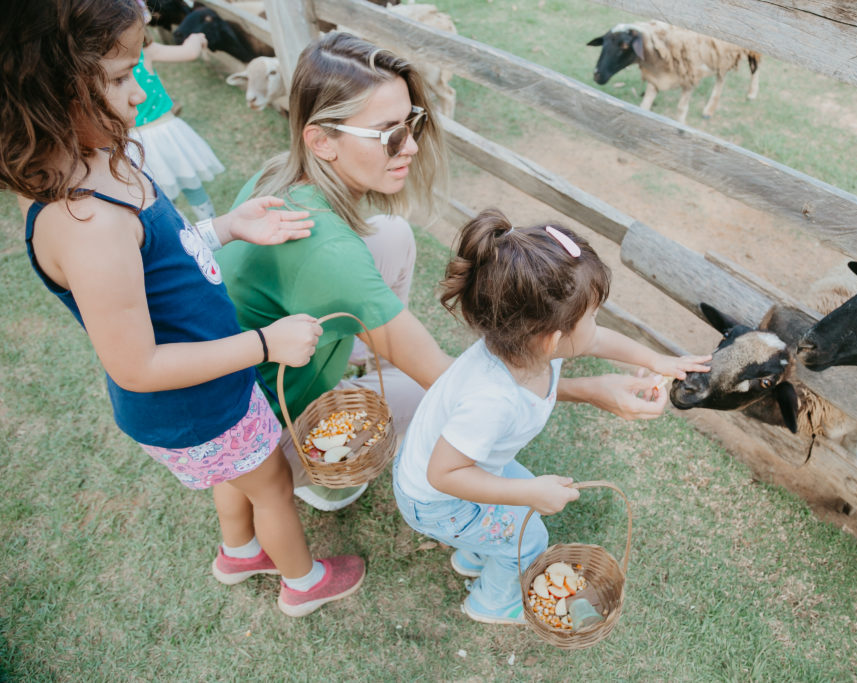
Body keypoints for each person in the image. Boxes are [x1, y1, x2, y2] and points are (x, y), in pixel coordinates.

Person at [217, 32, 700, 514]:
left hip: (242, 390)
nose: (409, 146)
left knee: (390, 233)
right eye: (389, 134)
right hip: (270, 431)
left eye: (413, 123)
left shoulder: (280, 174)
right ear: (322, 140)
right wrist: (586, 391)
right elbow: (454, 384)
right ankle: (308, 464)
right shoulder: (332, 256)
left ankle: (372, 364)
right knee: (449, 396)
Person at [0, 0, 363, 617]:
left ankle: (239, 550)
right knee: (270, 481)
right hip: (193, 398)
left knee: (237, 471)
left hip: (211, 385)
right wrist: (266, 346)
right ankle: (304, 583)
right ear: (47, 86)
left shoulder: (99, 160)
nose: (139, 94)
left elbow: (163, 259)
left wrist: (226, 226)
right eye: (118, 78)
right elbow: (136, 366)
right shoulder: (86, 223)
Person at [391, 209, 711, 624]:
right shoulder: (492, 399)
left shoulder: (526, 346)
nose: (597, 326)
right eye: (592, 316)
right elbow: (444, 474)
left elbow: (597, 342)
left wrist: (657, 360)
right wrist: (530, 493)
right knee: (530, 538)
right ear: (553, 339)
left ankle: (476, 550)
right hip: (436, 500)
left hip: (459, 476)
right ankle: (491, 603)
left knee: (520, 511)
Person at [130, 1, 225, 221]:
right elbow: (188, 53)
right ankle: (210, 229)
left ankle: (178, 236)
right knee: (192, 186)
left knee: (158, 197)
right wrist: (196, 38)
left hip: (133, 144)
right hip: (166, 133)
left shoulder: (101, 64)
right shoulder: (145, 51)